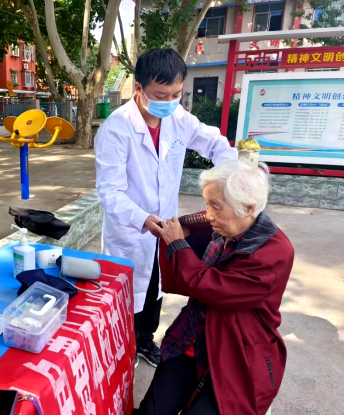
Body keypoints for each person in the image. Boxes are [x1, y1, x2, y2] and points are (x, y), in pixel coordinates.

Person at [94, 48, 237, 367]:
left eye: (177, 94)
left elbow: (214, 143)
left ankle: (144, 340)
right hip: (130, 231)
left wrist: (229, 178)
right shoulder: (116, 130)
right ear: (140, 89)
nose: (170, 101)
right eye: (161, 95)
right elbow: (110, 193)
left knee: (155, 285)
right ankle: (122, 346)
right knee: (125, 296)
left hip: (167, 226)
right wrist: (143, 219)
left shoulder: (178, 119)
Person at [136, 160, 294, 415]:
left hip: (237, 351)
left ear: (249, 208)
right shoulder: (222, 226)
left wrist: (178, 244)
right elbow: (194, 226)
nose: (208, 214)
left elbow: (213, 288)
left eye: (215, 206)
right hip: (191, 336)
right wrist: (174, 229)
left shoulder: (274, 253)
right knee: (152, 412)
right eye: (207, 204)